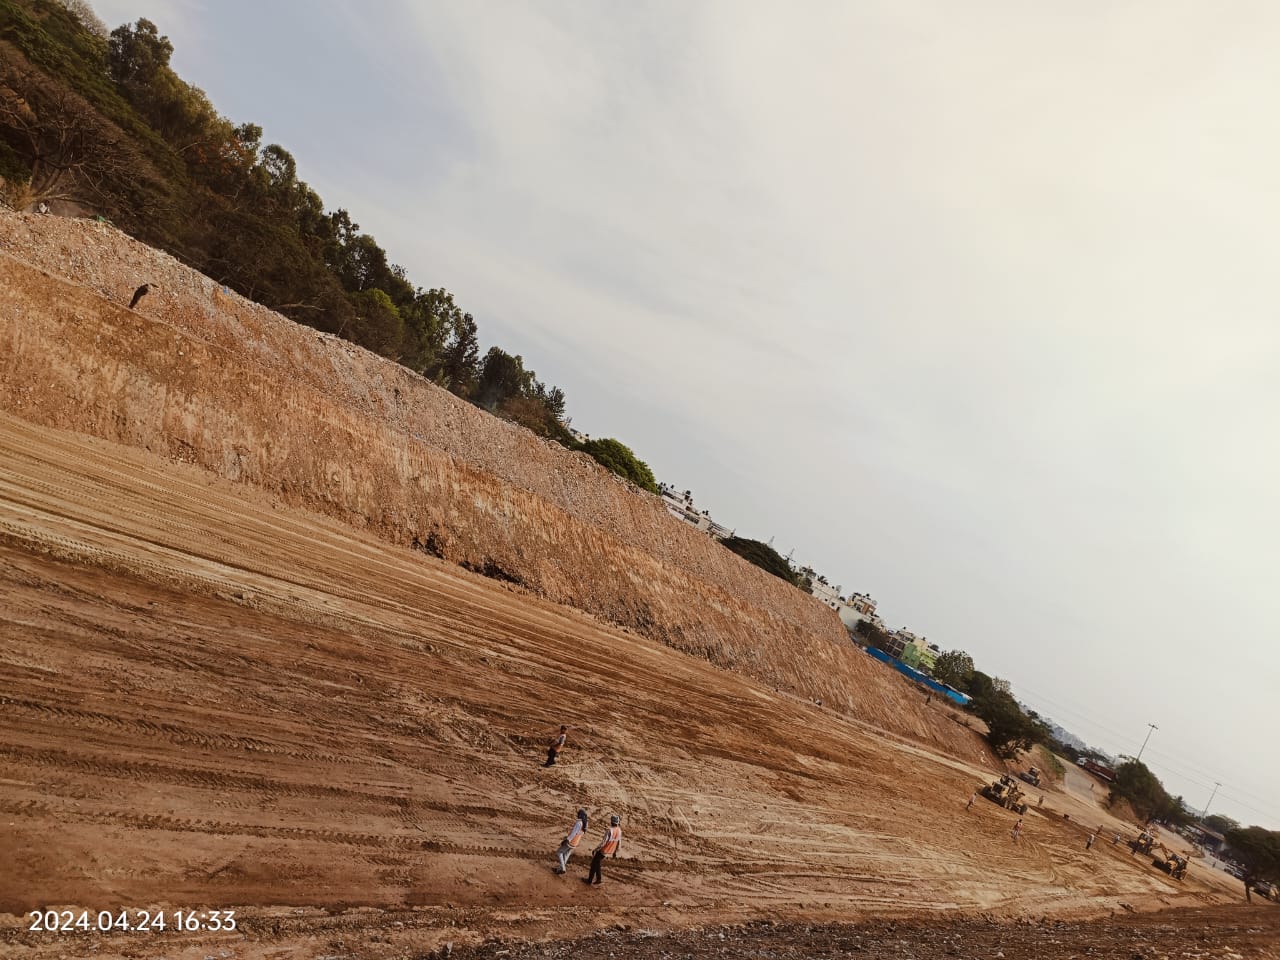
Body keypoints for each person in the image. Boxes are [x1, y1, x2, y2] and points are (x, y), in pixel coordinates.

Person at [583, 814, 622, 885]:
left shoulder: (609, 830)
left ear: (611, 822)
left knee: (593, 864)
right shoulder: (619, 830)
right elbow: (619, 843)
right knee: (597, 863)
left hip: (603, 850)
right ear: (618, 822)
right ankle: (598, 879)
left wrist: (596, 849)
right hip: (610, 851)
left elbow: (603, 842)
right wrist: (615, 852)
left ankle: (589, 881)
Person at [555, 808, 588, 874]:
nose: (577, 815)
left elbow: (573, 833)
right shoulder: (586, 824)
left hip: (571, 842)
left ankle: (563, 868)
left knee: (559, 852)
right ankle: (559, 869)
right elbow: (582, 833)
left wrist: (567, 840)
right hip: (576, 843)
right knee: (566, 855)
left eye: (578, 814)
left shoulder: (579, 823)